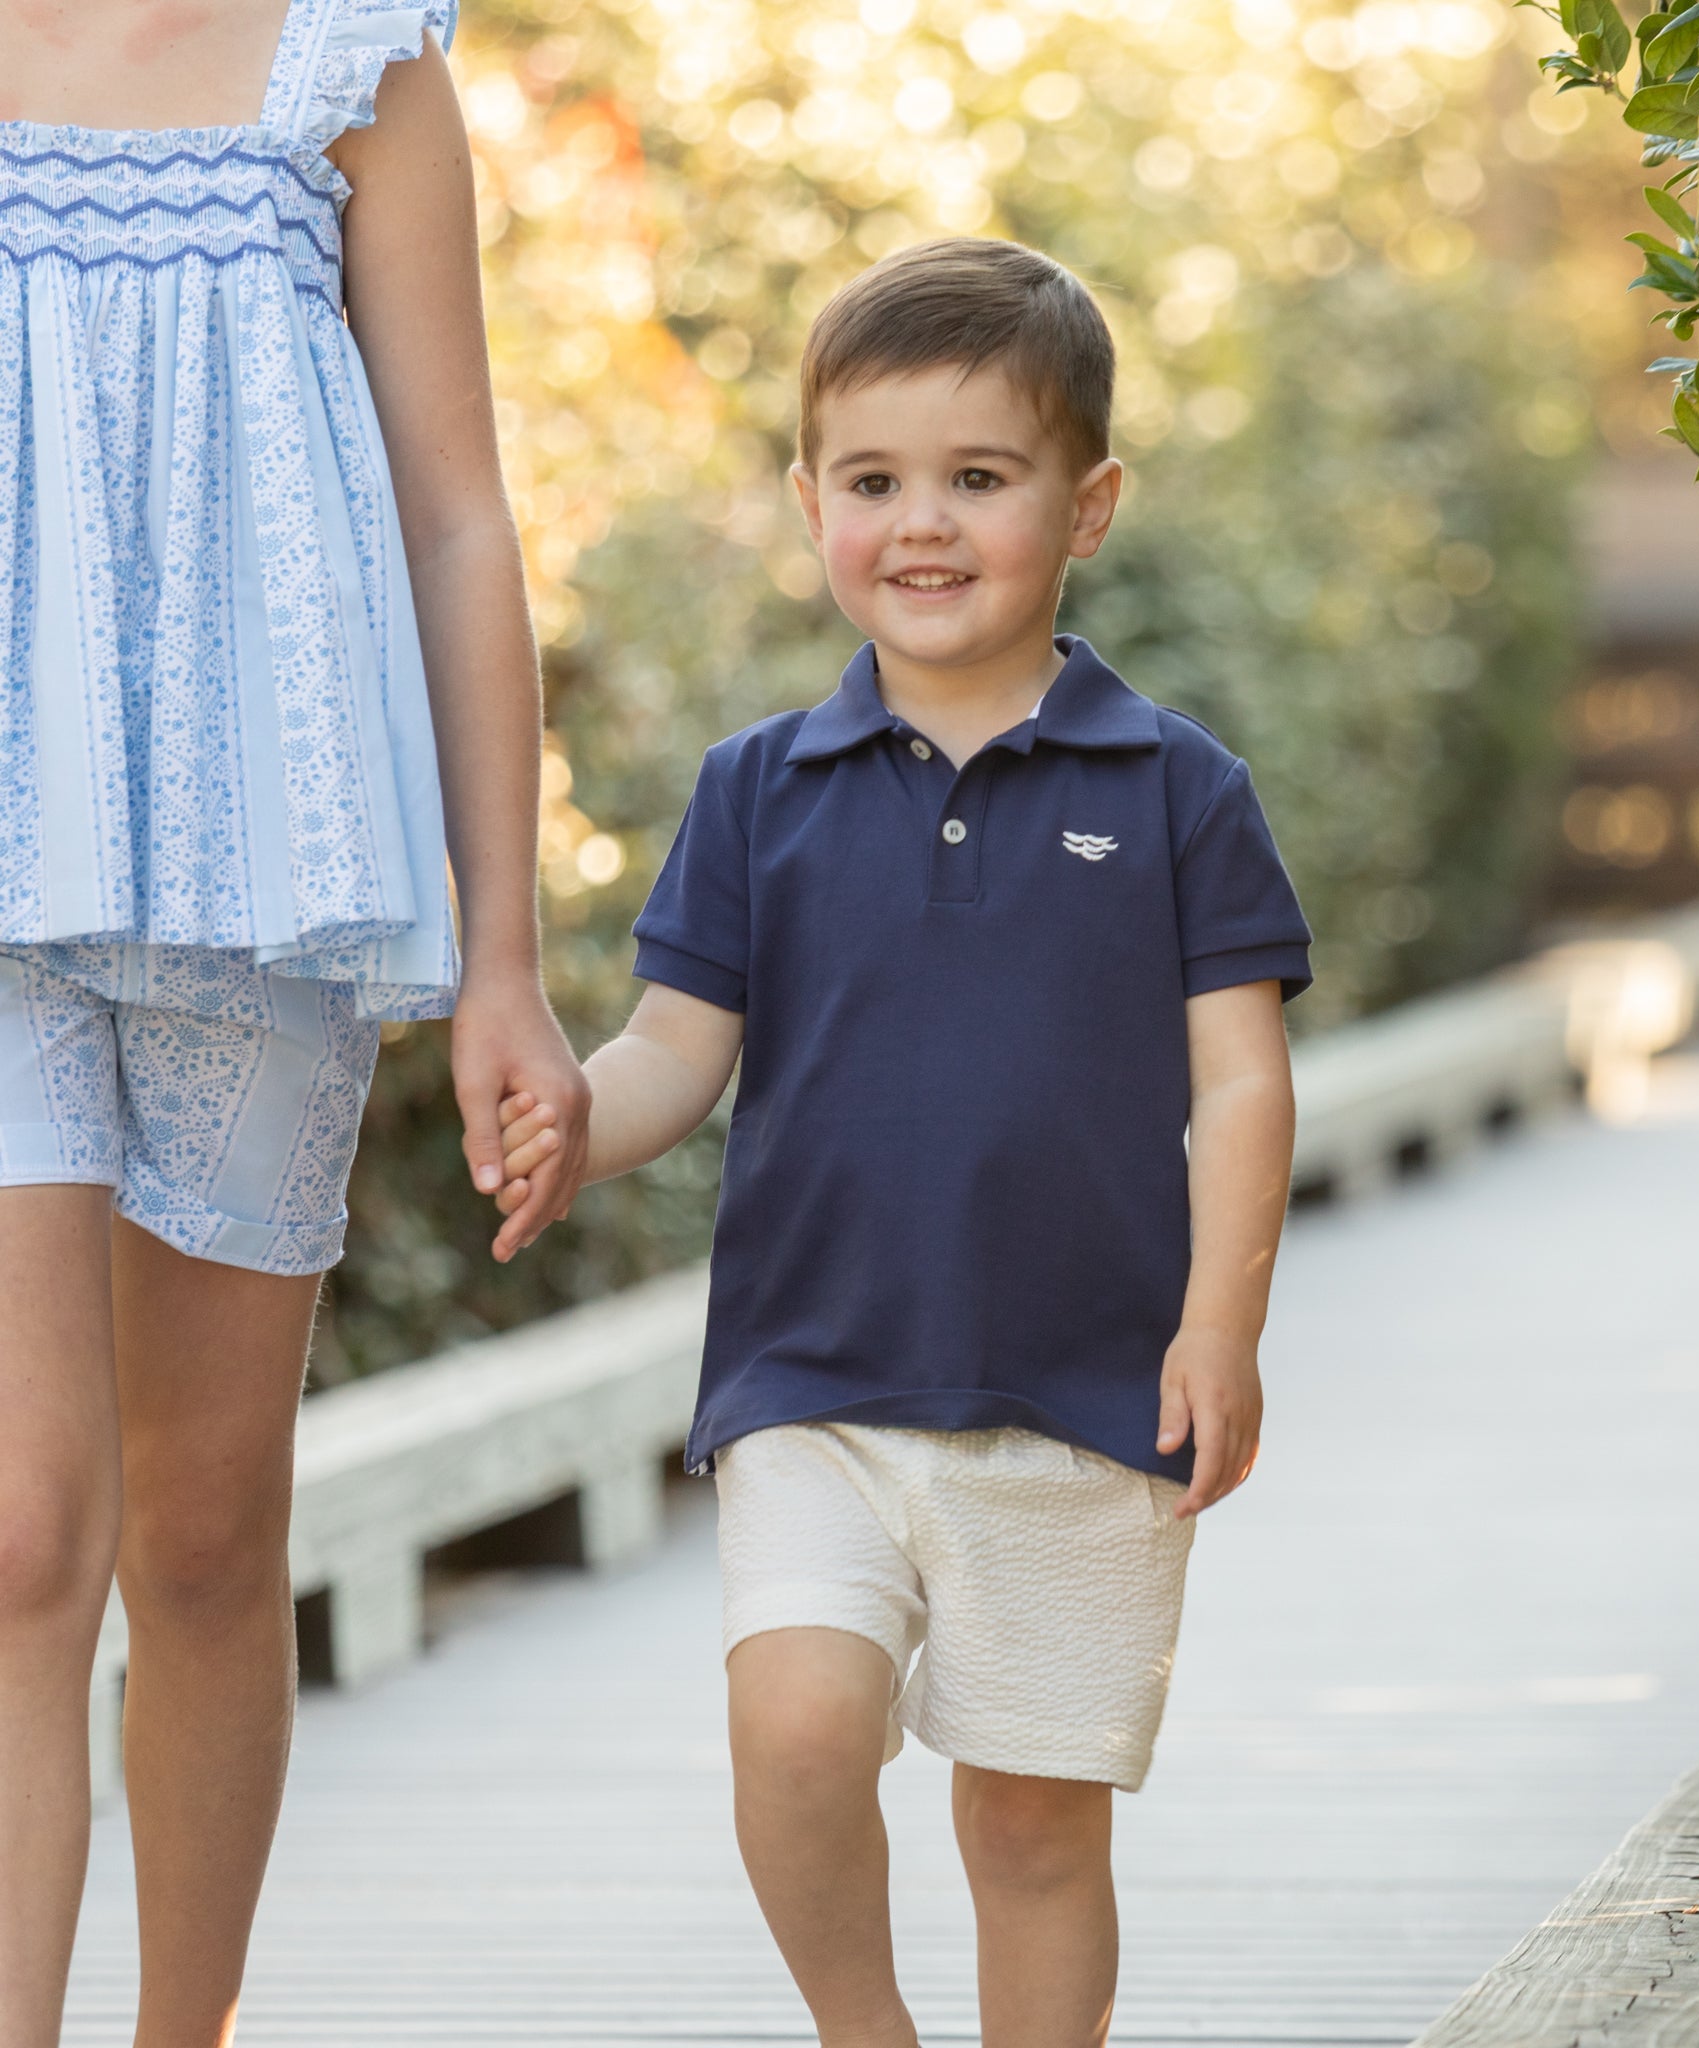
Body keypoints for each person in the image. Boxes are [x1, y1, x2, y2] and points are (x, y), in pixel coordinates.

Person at [491, 236, 1309, 2046]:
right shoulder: (755, 789)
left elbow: (1244, 1083)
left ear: (1087, 505)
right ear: (809, 504)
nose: (920, 527)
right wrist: (572, 1121)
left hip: (1090, 1398)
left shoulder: (1177, 788)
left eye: (979, 479)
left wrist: (1221, 1324)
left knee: (1030, 1825)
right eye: (872, 483)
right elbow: (670, 1052)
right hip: (818, 1380)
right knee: (793, 1732)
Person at [0, 3, 589, 2040]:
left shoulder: (356, 59)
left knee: (203, 1525)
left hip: (267, 855)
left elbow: (456, 512)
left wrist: (500, 957)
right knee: (19, 1528)